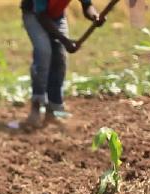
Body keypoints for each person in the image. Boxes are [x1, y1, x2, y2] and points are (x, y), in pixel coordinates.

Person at [19, 0, 102, 128]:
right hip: (34, 15)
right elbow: (41, 16)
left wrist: (95, 16)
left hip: (56, 16)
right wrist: (65, 41)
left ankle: (53, 112)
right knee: (44, 52)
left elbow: (87, 5)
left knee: (60, 59)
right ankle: (35, 109)